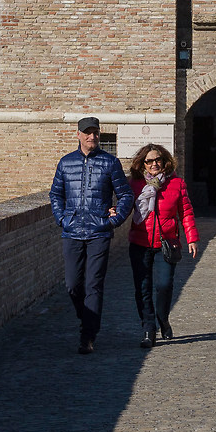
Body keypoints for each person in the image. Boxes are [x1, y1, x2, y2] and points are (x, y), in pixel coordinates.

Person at [49, 116, 134, 354]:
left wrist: (114, 220)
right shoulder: (66, 163)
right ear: (78, 135)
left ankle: (87, 335)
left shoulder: (110, 163)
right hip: (72, 230)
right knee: (73, 285)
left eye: (95, 133)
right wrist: (62, 218)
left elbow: (126, 195)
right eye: (87, 133)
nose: (92, 137)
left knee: (94, 284)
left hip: (99, 232)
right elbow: (56, 194)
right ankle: (86, 319)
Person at [124, 143, 199, 344]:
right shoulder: (135, 185)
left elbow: (186, 212)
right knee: (142, 287)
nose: (154, 164)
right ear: (143, 164)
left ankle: (163, 319)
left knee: (164, 285)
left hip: (168, 242)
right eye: (149, 161)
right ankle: (148, 329)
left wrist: (191, 238)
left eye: (158, 160)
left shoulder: (176, 183)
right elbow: (124, 207)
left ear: (164, 161)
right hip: (140, 242)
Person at [192, 136, 216, 213]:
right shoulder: (208, 152)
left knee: (215, 187)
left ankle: (213, 200)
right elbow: (203, 162)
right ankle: (211, 200)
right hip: (210, 172)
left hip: (215, 172)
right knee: (210, 187)